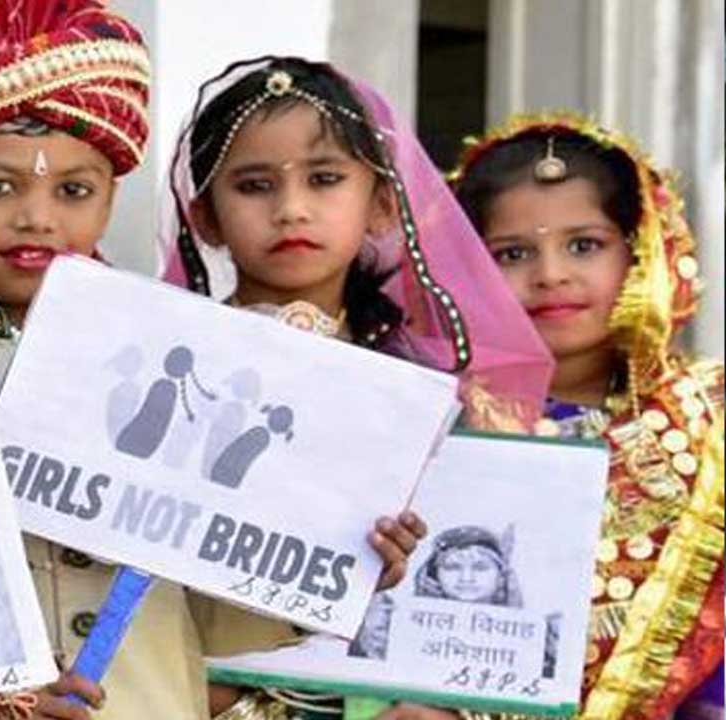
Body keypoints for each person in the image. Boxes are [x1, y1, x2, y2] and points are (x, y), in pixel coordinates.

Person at [0, 9, 426, 717]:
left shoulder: (180, 366)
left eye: (73, 191)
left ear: (111, 198)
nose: (37, 217)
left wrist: (345, 557)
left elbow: (232, 625)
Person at [158, 56, 554, 720]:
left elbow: (481, 623)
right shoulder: (172, 370)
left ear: (382, 205)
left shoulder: (428, 393)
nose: (291, 209)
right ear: (205, 217)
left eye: (324, 179)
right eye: (254, 185)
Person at [451, 112, 723, 720]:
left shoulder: (708, 422)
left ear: (643, 253)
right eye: (512, 253)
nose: (550, 275)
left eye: (584, 245)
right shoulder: (436, 422)